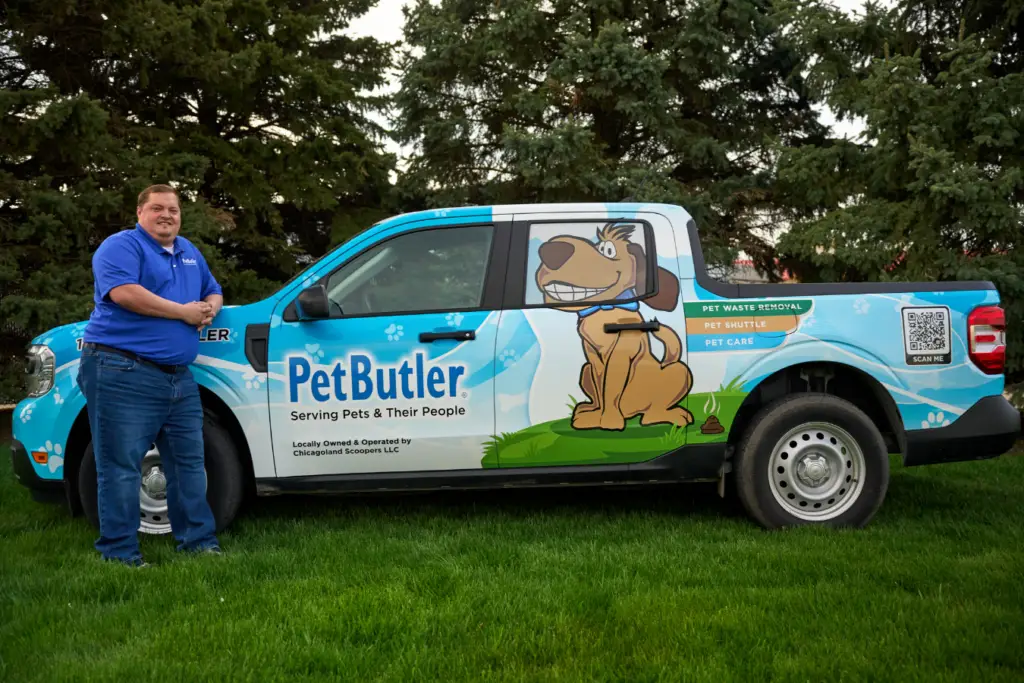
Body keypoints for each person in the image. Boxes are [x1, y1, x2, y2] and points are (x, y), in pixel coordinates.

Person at [77, 183, 224, 567]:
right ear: (140, 213)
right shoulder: (121, 246)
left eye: (173, 210)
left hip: (178, 377)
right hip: (121, 371)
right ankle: (120, 553)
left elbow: (213, 290)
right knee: (121, 467)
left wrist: (209, 307)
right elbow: (125, 293)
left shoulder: (189, 251)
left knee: (190, 464)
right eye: (157, 208)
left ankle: (199, 543)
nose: (166, 216)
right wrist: (184, 313)